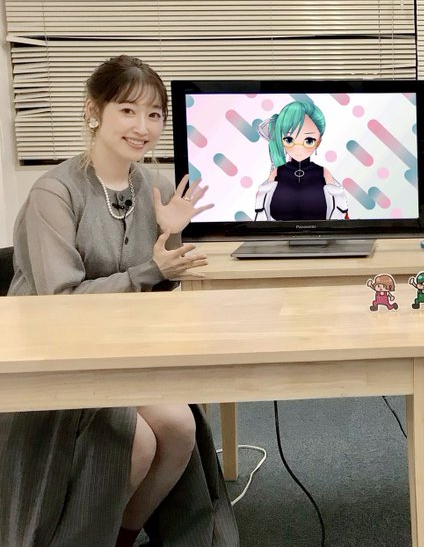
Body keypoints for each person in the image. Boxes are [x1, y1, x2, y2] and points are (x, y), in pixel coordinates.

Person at [1, 55, 240, 546]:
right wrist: (152, 269)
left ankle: (120, 538)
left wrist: (170, 238)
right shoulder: (54, 193)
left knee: (179, 427)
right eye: (128, 110)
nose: (143, 127)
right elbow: (61, 301)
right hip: (56, 356)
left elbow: (159, 289)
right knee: (135, 442)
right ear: (94, 111)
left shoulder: (156, 188)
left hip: (124, 353)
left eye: (154, 115)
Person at [254, 98, 349, 221]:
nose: (298, 149)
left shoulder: (323, 172)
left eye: (309, 141)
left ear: (318, 142)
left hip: (321, 230)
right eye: (289, 140)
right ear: (281, 140)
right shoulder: (277, 172)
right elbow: (262, 205)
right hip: (278, 230)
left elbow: (338, 204)